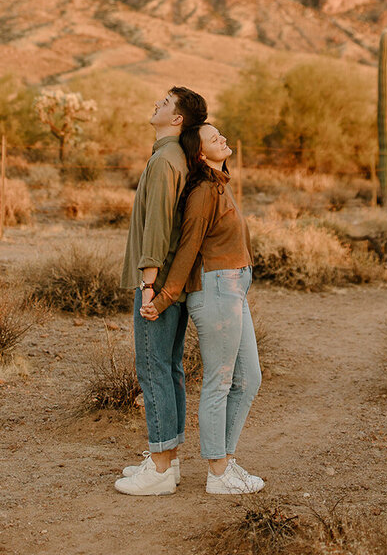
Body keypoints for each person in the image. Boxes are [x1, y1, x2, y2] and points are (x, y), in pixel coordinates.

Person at [140, 123, 264, 495]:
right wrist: (162, 297)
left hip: (232, 288)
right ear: (200, 154)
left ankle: (224, 458)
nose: (223, 138)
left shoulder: (219, 184)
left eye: (221, 134)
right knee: (220, 381)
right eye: (214, 139)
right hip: (214, 289)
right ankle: (218, 472)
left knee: (249, 378)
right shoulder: (204, 191)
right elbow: (188, 249)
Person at [115, 86, 208, 496]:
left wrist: (149, 285)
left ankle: (159, 468)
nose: (157, 102)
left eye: (166, 102)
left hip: (159, 282)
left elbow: (158, 229)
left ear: (177, 120)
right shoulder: (174, 158)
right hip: (176, 283)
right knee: (169, 370)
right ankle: (166, 461)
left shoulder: (166, 160)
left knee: (153, 369)